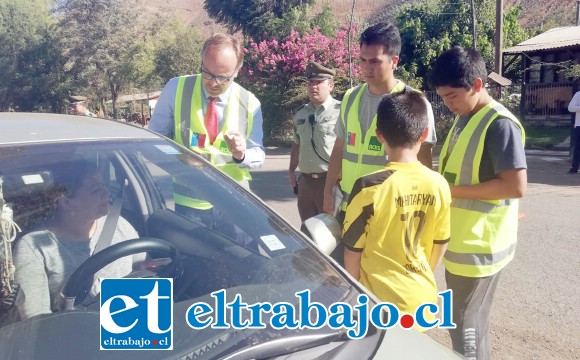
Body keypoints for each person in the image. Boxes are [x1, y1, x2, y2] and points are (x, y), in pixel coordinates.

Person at [429, 46, 527, 360]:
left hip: (479, 248)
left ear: (477, 85)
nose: (447, 105)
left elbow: (515, 185)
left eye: (452, 96)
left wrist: (450, 190)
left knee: (465, 328)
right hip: (462, 245)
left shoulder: (499, 124)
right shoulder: (466, 115)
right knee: (468, 324)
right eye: (442, 97)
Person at [342, 90, 451, 329]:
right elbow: (440, 242)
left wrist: (357, 293)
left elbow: (352, 251)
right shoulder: (439, 183)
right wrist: (422, 273)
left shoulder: (368, 186)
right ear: (424, 134)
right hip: (423, 298)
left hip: (379, 304)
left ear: (379, 135)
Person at [322, 22, 437, 221]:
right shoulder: (350, 98)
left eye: (375, 61)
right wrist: (327, 191)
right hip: (350, 205)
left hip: (392, 210)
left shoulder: (414, 102)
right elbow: (339, 147)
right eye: (362, 60)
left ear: (394, 61)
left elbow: (424, 158)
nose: (367, 68)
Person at [13, 160, 142, 319]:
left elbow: (143, 268)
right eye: (95, 191)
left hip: (132, 327)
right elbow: (36, 321)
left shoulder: (119, 225)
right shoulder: (34, 247)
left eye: (104, 186)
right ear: (66, 201)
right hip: (75, 337)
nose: (107, 193)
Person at [149, 33, 265, 187]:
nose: (213, 83)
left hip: (235, 200)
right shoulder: (175, 89)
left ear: (237, 71)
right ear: (202, 63)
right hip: (190, 197)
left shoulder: (251, 103)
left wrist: (242, 155)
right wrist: (178, 157)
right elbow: (155, 141)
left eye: (223, 77)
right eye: (207, 74)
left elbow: (258, 154)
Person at [288, 62, 341, 222]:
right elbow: (297, 144)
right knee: (309, 231)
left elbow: (346, 147)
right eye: (310, 83)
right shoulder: (300, 114)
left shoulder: (341, 112)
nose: (313, 87)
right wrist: (291, 171)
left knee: (333, 233)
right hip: (305, 183)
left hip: (330, 181)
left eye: (318, 82)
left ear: (331, 85)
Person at [567, 87, 580, 173]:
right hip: (579, 125)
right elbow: (570, 108)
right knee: (578, 147)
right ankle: (575, 167)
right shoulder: (578, 94)